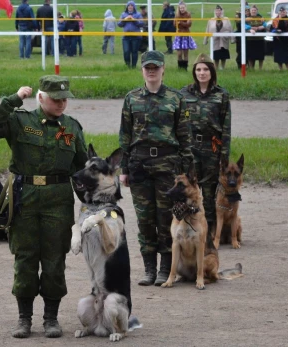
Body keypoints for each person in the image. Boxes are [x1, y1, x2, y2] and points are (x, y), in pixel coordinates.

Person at [0, 75, 88, 339]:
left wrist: (91, 203)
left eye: (65, 99)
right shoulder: (20, 121)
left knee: (54, 261)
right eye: (56, 99)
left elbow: (82, 167)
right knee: (26, 258)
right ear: (41, 98)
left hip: (58, 198)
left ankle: (51, 318)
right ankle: (24, 318)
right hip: (25, 198)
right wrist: (14, 98)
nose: (62, 103)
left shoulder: (72, 127)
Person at [119, 50, 193, 287]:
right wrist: (124, 169)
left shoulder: (175, 98)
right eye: (147, 67)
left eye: (156, 67)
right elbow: (125, 136)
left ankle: (165, 268)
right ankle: (148, 268)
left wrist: (188, 173)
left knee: (166, 217)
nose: (151, 71)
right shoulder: (131, 98)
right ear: (142, 70)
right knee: (144, 220)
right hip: (139, 164)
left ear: (163, 69)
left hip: (167, 165)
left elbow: (184, 136)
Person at [180, 53, 231, 242]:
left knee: (209, 194)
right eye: (199, 69)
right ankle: (189, 229)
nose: (202, 73)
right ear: (194, 72)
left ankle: (209, 235)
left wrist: (224, 160)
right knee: (189, 191)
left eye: (206, 69)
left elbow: (226, 129)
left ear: (212, 72)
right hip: (190, 148)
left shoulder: (221, 95)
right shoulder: (184, 94)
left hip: (212, 149)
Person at [204, 5, 232, 69]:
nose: (218, 12)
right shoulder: (211, 20)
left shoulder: (226, 19)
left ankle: (223, 67)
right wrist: (205, 40)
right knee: (216, 55)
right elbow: (207, 30)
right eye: (217, 11)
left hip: (224, 40)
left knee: (223, 54)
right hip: (215, 40)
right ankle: (216, 67)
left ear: (222, 11)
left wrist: (232, 39)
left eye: (219, 11)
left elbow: (230, 29)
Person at [118, 1, 143, 68]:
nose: (130, 7)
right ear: (127, 7)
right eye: (129, 5)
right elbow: (119, 24)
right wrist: (124, 20)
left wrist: (134, 20)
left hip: (135, 36)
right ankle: (127, 65)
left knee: (134, 52)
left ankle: (134, 66)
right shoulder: (123, 14)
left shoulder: (138, 14)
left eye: (132, 5)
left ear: (134, 7)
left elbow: (141, 23)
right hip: (126, 37)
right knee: (126, 52)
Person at [173, 1, 197, 71]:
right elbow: (174, 24)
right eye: (181, 8)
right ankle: (180, 67)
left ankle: (185, 68)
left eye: (183, 8)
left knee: (185, 53)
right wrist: (183, 23)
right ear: (179, 8)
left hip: (186, 35)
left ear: (185, 8)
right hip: (179, 35)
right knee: (179, 53)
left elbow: (189, 24)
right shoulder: (177, 15)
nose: (182, 9)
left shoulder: (188, 15)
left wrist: (181, 23)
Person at [245, 5, 266, 70]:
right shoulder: (247, 18)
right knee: (250, 55)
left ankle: (260, 68)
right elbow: (243, 25)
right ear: (250, 11)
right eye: (252, 10)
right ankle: (251, 68)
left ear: (257, 11)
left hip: (260, 39)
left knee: (260, 55)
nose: (253, 11)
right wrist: (250, 29)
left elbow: (265, 24)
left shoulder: (260, 17)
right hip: (250, 39)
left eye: (255, 10)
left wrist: (262, 27)